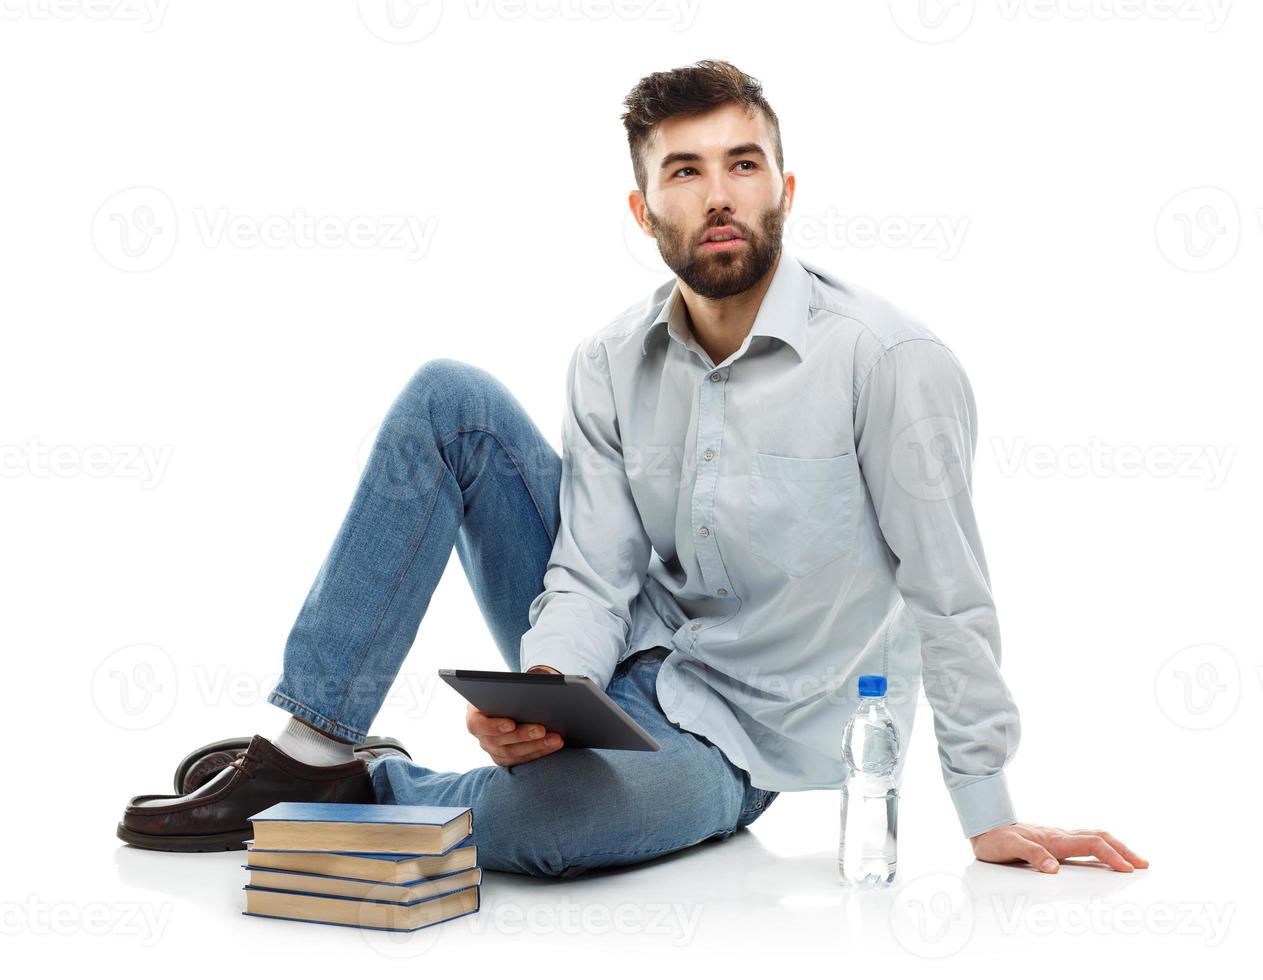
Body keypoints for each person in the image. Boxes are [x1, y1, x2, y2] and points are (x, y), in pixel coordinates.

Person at [118, 59, 1147, 879]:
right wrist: (548, 689)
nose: (720, 195)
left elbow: (950, 594)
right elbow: (591, 571)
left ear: (785, 188)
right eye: (685, 172)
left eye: (743, 164)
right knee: (450, 396)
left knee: (547, 834)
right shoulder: (610, 360)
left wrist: (987, 811)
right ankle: (309, 745)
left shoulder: (888, 363)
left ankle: (371, 785)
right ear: (643, 208)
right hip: (627, 664)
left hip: (742, 743)